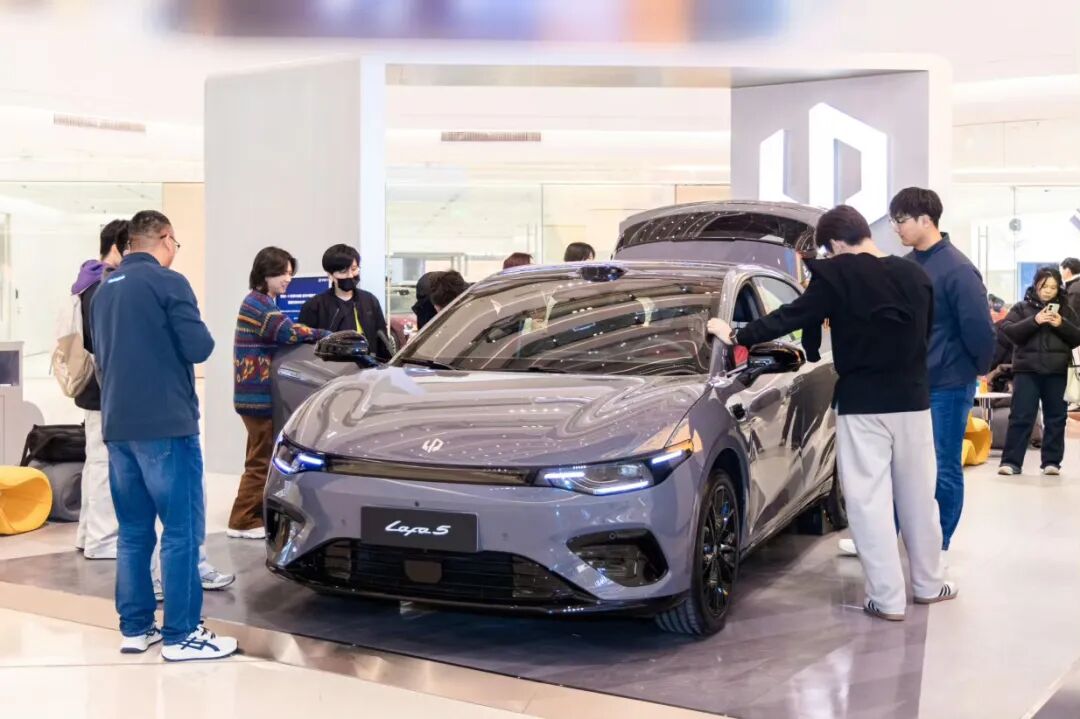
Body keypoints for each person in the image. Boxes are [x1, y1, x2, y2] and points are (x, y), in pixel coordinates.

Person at [707, 205, 953, 620]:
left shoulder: (836, 275)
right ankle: (929, 584)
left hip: (863, 402)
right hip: (913, 400)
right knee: (918, 497)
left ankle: (888, 599)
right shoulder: (915, 274)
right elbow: (925, 335)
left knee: (869, 501)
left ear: (836, 244)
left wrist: (735, 333)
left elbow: (791, 316)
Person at [90, 210, 237, 661]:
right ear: (166, 239)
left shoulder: (103, 291)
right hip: (167, 425)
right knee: (180, 530)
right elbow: (199, 347)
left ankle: (136, 629)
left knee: (134, 532)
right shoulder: (169, 283)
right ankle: (182, 633)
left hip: (118, 425)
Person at [890, 187, 995, 564]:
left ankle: (940, 542)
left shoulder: (957, 269)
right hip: (909, 382)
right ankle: (894, 538)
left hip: (948, 383)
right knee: (904, 466)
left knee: (943, 463)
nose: (896, 228)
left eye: (901, 220)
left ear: (926, 220)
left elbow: (979, 330)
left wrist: (974, 371)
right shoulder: (903, 266)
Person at [229, 248, 329, 539]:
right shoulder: (258, 305)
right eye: (283, 273)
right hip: (255, 395)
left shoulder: (262, 303)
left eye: (290, 273)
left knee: (258, 456)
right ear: (266, 274)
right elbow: (289, 332)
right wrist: (323, 335)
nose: (288, 279)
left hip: (254, 394)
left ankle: (250, 515)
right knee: (260, 461)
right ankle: (242, 520)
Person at [71, 220, 127, 560]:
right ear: (117, 247)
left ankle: (87, 534)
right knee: (105, 466)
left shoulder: (86, 279)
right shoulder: (102, 286)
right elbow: (105, 342)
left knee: (96, 463)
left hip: (92, 389)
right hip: (103, 388)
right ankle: (102, 540)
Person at [998, 268, 1080, 475]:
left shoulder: (1067, 310)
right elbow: (1008, 332)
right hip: (1027, 371)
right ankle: (1011, 462)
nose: (1048, 291)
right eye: (1044, 286)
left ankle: (1052, 462)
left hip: (1057, 372)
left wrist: (1061, 324)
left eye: (1053, 287)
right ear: (1036, 285)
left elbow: (1077, 337)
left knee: (1056, 418)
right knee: (1021, 416)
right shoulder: (1021, 308)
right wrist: (1035, 321)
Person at [298, 244, 392, 361]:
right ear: (330, 275)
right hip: (329, 368)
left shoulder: (370, 300)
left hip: (369, 366)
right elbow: (305, 348)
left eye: (354, 269)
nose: (350, 275)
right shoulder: (314, 306)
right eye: (343, 271)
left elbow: (382, 341)